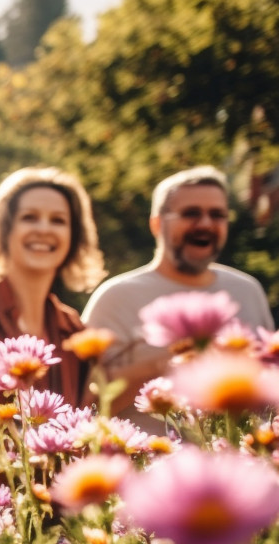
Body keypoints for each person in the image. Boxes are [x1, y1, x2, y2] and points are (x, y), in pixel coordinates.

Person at [0, 167, 107, 488]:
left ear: (74, 237)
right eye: (30, 217)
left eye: (58, 220)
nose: (44, 229)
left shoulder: (75, 330)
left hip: (57, 527)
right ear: (5, 230)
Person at [82, 166, 275, 432]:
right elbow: (83, 407)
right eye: (191, 213)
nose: (206, 223)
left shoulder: (247, 290)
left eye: (217, 214)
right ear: (157, 223)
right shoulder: (115, 297)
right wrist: (165, 362)